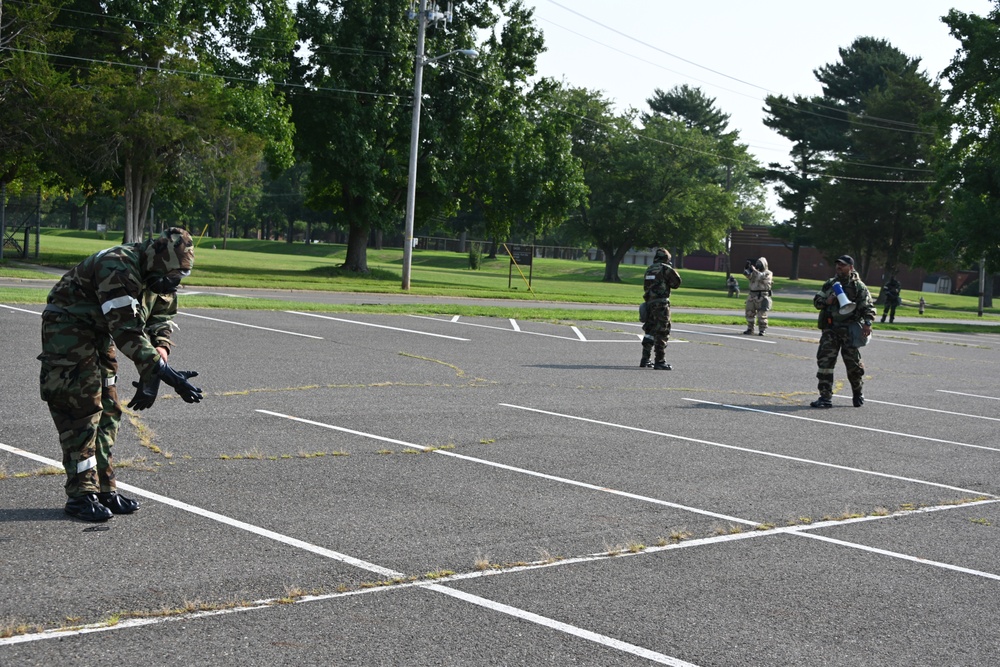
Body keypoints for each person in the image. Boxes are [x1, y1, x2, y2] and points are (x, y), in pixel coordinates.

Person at [38, 227, 204, 522]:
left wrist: (159, 359)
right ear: (156, 260)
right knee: (82, 409)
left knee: (110, 409)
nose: (173, 284)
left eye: (180, 277)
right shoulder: (117, 266)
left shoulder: (160, 278)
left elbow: (160, 319)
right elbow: (126, 331)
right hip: (68, 329)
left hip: (100, 334)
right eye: (170, 276)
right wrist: (169, 377)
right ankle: (80, 496)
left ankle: (104, 490)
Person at [809, 255, 876, 408]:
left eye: (843, 265)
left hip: (849, 331)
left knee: (853, 365)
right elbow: (817, 302)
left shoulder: (859, 287)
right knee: (825, 363)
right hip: (831, 330)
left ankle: (858, 393)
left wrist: (867, 324)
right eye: (837, 264)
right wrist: (827, 301)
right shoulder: (830, 284)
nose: (839, 267)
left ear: (851, 267)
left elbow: (868, 307)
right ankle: (825, 398)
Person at [640, 247, 682, 370]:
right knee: (662, 332)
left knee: (649, 331)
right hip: (661, 305)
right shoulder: (665, 268)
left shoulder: (649, 269)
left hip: (649, 303)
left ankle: (645, 359)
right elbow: (676, 284)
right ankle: (660, 361)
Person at [742, 257, 773, 336]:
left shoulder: (768, 273)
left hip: (762, 296)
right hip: (752, 295)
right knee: (749, 313)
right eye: (758, 263)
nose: (758, 265)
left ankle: (762, 330)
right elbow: (748, 276)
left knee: (761, 314)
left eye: (760, 263)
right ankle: (750, 328)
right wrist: (747, 269)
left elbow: (763, 278)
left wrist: (755, 270)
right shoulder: (754, 273)